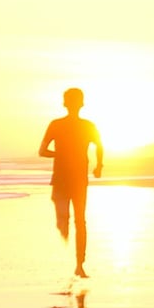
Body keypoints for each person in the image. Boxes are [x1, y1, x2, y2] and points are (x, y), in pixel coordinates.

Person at [39, 88, 103, 278]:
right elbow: (100, 147)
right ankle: (79, 264)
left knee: (76, 220)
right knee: (77, 221)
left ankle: (79, 264)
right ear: (81, 103)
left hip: (69, 179)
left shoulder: (60, 125)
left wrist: (59, 154)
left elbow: (43, 151)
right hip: (73, 179)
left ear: (65, 103)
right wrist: (98, 166)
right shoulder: (83, 125)